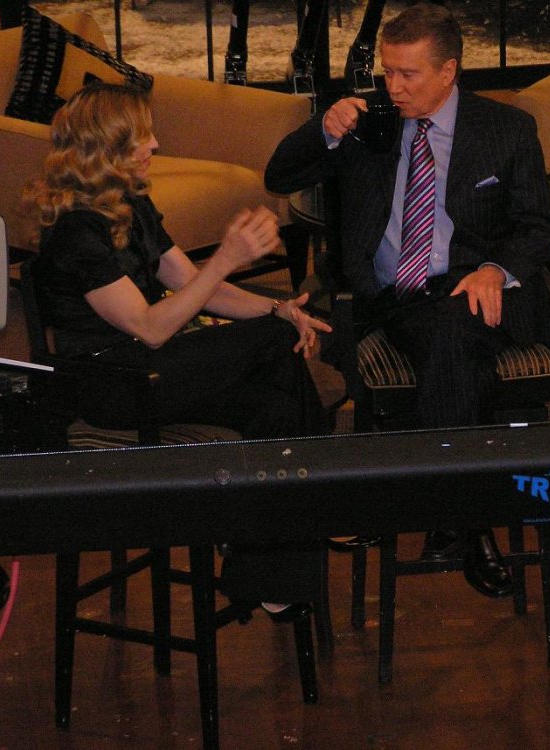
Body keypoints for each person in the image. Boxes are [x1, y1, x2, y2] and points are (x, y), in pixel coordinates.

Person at [265, 3, 550, 598]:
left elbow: (536, 228)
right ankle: (466, 521)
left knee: (452, 331)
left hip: (473, 288)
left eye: (408, 74)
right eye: (387, 71)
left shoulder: (506, 129)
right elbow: (279, 177)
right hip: (391, 296)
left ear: (449, 71)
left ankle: (451, 516)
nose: (392, 87)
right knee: (447, 338)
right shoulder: (369, 123)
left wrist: (496, 270)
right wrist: (326, 128)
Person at [26, 81, 332, 618]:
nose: (155, 145)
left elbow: (192, 284)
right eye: (142, 137)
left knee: (276, 406)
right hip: (110, 384)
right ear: (107, 149)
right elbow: (150, 328)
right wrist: (229, 260)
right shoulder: (76, 231)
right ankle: (320, 507)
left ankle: (265, 573)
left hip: (151, 371)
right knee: (274, 346)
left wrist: (279, 308)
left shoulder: (130, 202)